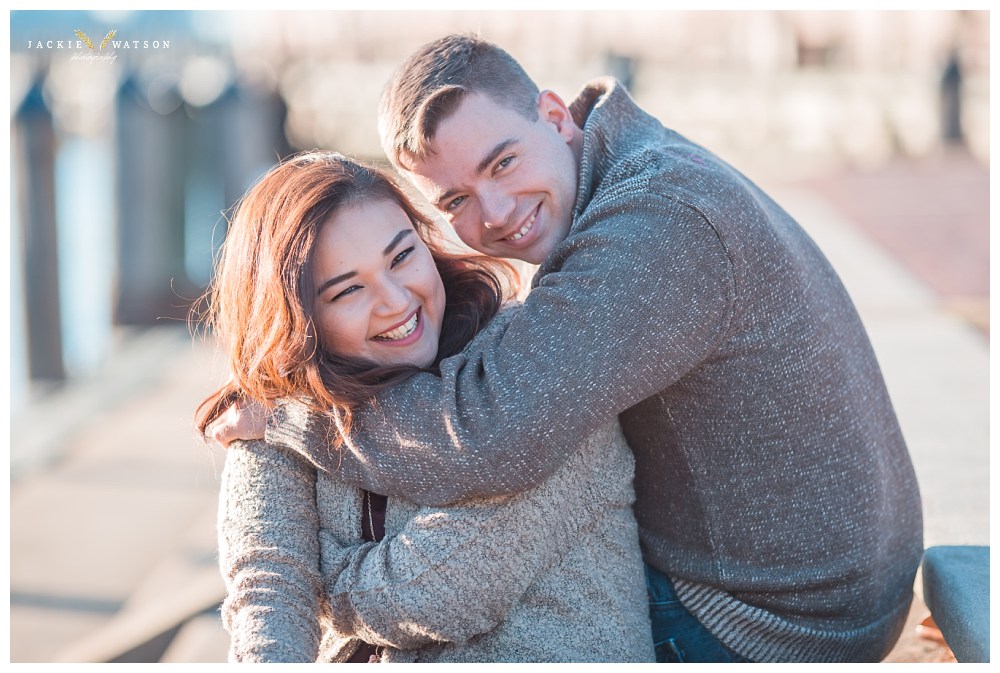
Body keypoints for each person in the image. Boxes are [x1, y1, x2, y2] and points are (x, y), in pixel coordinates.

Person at [214, 35, 924, 663]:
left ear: (555, 116)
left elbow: (494, 432)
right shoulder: (624, 178)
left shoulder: (657, 225)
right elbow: (269, 571)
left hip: (776, 619)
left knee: (529, 536)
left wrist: (292, 425)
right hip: (802, 572)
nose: (494, 213)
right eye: (455, 201)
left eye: (503, 162)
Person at [197, 151, 655, 663]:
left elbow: (446, 590)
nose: (395, 301)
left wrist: (321, 581)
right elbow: (269, 589)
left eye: (401, 257)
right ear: (298, 318)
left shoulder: (532, 370)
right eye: (348, 290)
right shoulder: (280, 408)